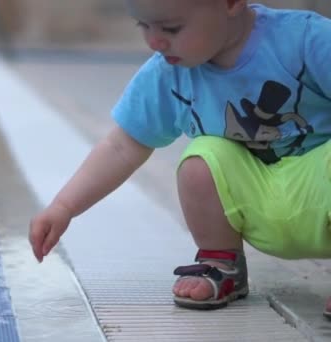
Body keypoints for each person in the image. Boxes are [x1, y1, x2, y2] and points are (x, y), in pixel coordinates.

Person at [28, 0, 331, 314]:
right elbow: (122, 146)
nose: (154, 41)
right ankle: (221, 263)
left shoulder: (305, 40)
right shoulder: (169, 72)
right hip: (262, 202)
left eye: (171, 28)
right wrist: (64, 207)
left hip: (321, 187)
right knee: (201, 160)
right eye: (144, 25)